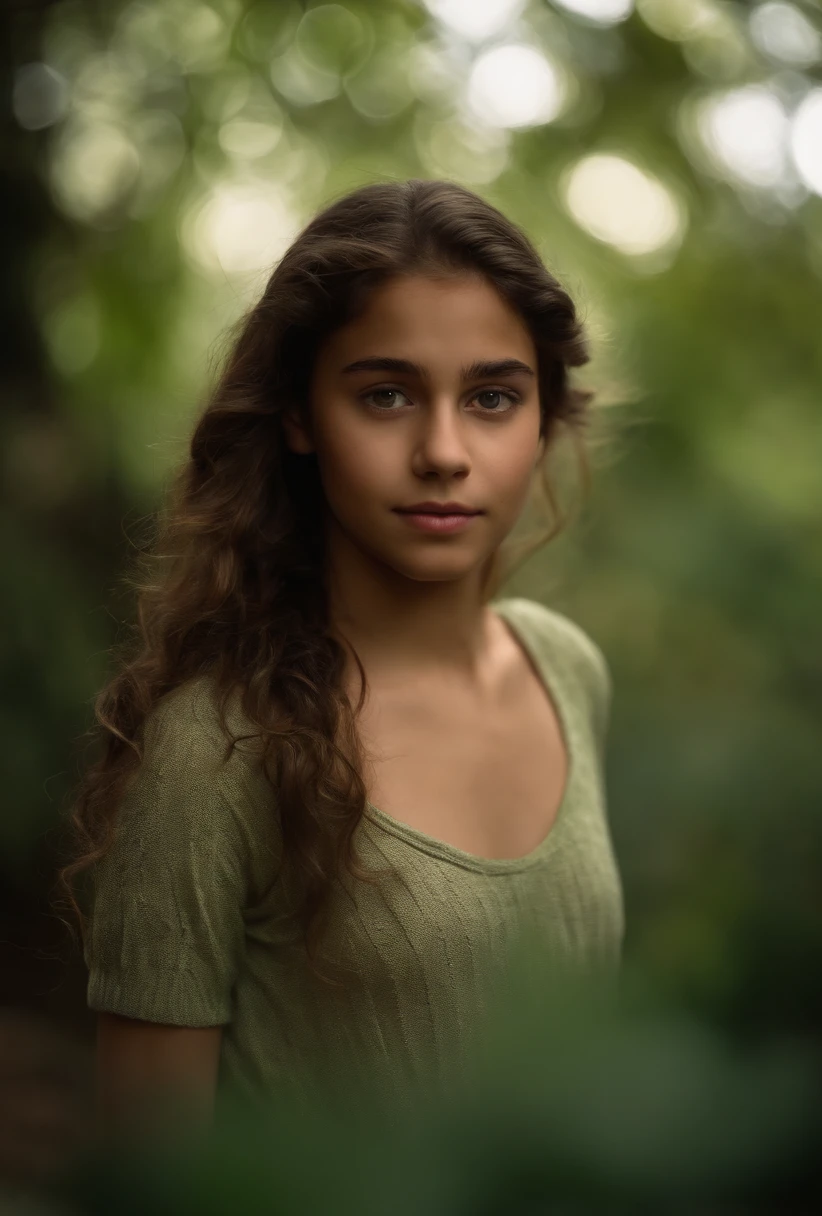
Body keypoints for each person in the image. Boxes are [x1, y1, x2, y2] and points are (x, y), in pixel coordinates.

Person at [57, 177, 625, 1134]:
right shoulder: (220, 749)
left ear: (543, 418)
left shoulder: (567, 671)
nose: (443, 450)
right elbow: (149, 1182)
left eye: (492, 396)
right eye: (387, 394)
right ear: (299, 416)